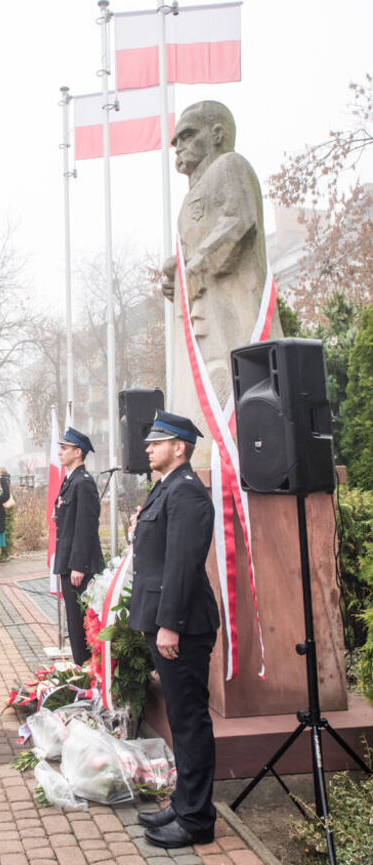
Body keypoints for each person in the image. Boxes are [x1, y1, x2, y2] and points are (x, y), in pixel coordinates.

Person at [162, 101, 282, 465]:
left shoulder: (230, 165)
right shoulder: (190, 198)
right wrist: (175, 272)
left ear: (216, 133)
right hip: (204, 307)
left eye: (187, 135)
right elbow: (195, 247)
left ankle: (249, 452)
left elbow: (238, 223)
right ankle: (218, 455)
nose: (177, 145)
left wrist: (194, 269)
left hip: (235, 305)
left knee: (241, 380)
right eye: (175, 140)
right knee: (215, 380)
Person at [129, 410, 219, 850]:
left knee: (189, 723)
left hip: (181, 626)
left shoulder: (187, 493)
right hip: (166, 621)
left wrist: (169, 625)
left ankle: (198, 819)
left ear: (179, 447)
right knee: (180, 722)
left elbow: (182, 566)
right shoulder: (167, 489)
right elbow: (162, 548)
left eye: (156, 441)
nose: (148, 448)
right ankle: (183, 803)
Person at [53, 427, 104, 665]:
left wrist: (79, 566)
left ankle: (87, 673)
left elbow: (85, 527)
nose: (60, 452)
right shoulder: (71, 481)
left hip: (78, 567)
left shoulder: (83, 482)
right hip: (69, 563)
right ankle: (81, 670)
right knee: (74, 624)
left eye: (64, 448)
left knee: (82, 625)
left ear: (78, 452)